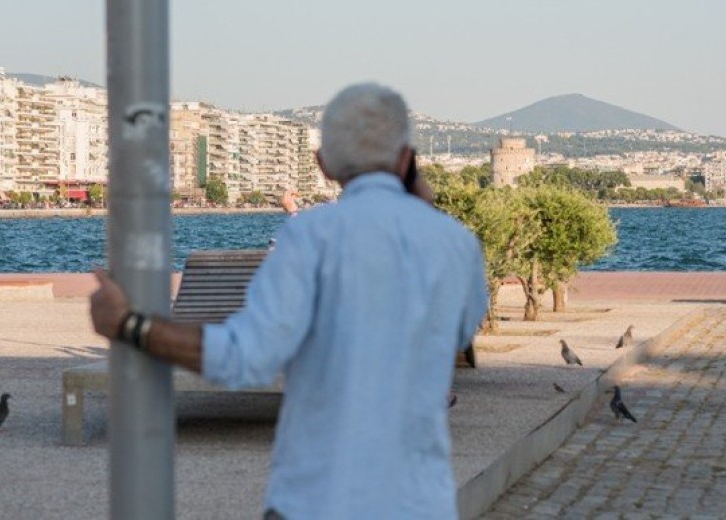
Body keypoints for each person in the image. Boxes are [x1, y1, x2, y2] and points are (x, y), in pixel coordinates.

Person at [89, 82, 488, 519]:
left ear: (323, 165)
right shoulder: (457, 244)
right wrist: (422, 203)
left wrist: (130, 325)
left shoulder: (309, 236)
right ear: (408, 159)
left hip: (315, 498)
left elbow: (247, 356)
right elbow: (463, 329)